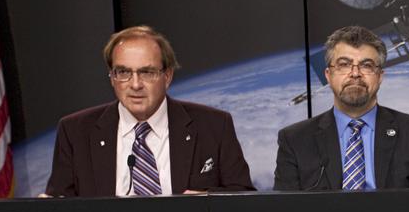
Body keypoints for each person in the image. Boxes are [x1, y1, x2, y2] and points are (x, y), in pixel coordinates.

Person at [44, 25, 254, 197]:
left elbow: (243, 196)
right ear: (112, 77)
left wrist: (207, 202)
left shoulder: (214, 125)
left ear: (167, 76)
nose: (135, 84)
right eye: (123, 72)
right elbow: (61, 206)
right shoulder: (75, 131)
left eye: (147, 72)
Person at [274, 25, 409, 190]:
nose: (355, 73)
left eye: (367, 65)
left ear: (379, 77)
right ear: (328, 76)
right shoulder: (294, 140)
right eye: (344, 64)